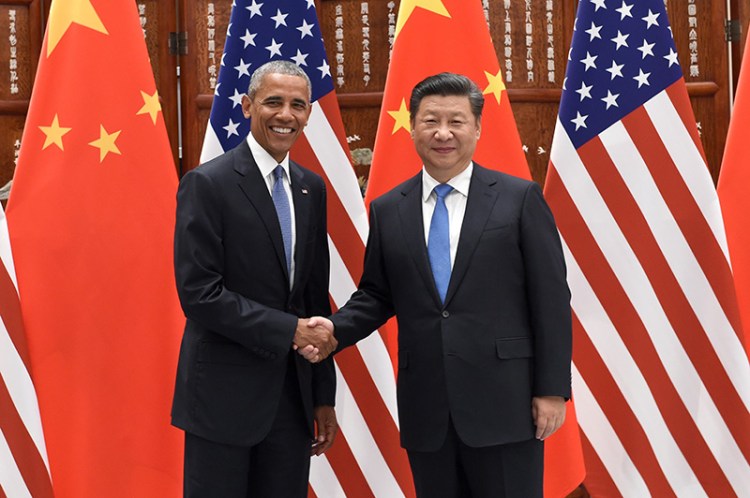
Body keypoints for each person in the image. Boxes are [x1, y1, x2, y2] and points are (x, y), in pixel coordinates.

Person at [302, 72, 572, 497]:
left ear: (477, 128)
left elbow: (551, 299)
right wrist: (335, 330)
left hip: (506, 403)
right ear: (413, 127)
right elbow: (377, 294)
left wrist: (552, 390)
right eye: (430, 121)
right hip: (428, 407)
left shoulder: (519, 199)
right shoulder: (390, 209)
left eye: (456, 121)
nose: (443, 133)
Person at [171, 60, 338, 497]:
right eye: (273, 102)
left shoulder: (311, 187)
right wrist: (290, 331)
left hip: (291, 400)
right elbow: (199, 294)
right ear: (247, 107)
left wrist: (323, 395)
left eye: (298, 105)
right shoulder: (207, 184)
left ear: (308, 114)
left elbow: (313, 296)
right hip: (222, 399)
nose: (286, 115)